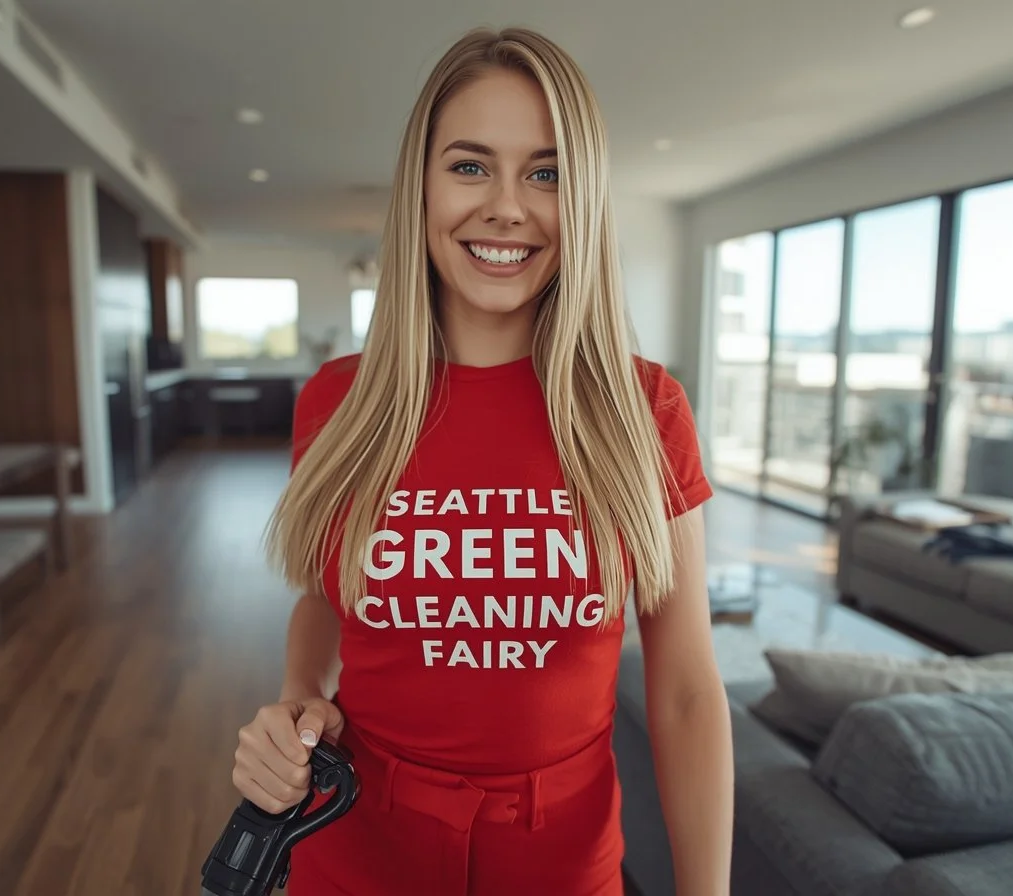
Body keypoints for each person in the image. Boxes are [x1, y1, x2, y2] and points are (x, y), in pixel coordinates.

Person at [233, 26, 734, 896]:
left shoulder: (644, 407)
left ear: (581, 199)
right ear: (419, 187)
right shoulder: (337, 400)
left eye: (546, 173)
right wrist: (296, 699)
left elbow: (687, 691)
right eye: (470, 166)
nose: (508, 206)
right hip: (354, 849)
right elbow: (325, 597)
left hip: (563, 864)